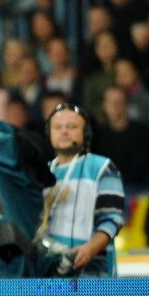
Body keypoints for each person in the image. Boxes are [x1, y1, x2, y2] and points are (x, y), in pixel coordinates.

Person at [39, 103, 126, 276]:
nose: (64, 131)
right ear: (49, 133)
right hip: (50, 272)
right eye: (57, 127)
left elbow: (112, 219)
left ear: (85, 134)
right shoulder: (42, 172)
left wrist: (90, 249)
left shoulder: (102, 167)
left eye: (72, 127)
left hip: (93, 274)